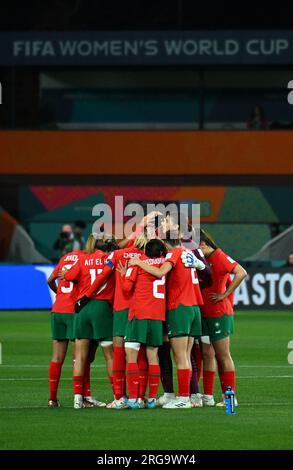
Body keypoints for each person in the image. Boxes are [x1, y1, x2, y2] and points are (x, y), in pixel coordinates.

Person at [129, 230, 204, 409]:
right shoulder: (187, 252)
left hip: (180, 308)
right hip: (194, 307)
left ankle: (183, 398)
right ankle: (187, 396)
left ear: (165, 242)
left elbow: (161, 272)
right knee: (185, 355)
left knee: (180, 356)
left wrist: (139, 262)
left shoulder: (175, 253)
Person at [78, 232, 148, 409]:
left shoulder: (117, 255)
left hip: (121, 308)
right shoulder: (147, 256)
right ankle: (140, 397)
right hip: (141, 309)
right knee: (140, 353)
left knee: (118, 353)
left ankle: (119, 398)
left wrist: (86, 296)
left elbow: (102, 276)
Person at [182, 229, 247, 407]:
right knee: (207, 353)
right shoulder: (203, 259)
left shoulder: (219, 256)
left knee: (222, 355)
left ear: (203, 244)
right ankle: (208, 395)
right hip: (204, 312)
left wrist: (225, 294)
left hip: (218, 313)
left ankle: (230, 397)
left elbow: (241, 272)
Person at [59, 233, 118, 409]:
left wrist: (65, 273)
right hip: (101, 308)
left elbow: (67, 276)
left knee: (80, 356)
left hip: (82, 309)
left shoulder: (83, 259)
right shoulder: (109, 259)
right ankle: (117, 396)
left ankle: (78, 398)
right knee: (109, 356)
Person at [119, 239, 168, 409]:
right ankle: (152, 399)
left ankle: (133, 399)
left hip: (139, 313)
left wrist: (123, 274)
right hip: (158, 315)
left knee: (131, 355)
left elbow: (126, 288)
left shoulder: (137, 264)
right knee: (153, 356)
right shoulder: (164, 263)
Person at [47, 249, 81, 408]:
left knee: (56, 358)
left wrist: (59, 293)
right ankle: (79, 397)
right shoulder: (84, 258)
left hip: (57, 310)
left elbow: (49, 280)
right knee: (78, 358)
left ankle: (52, 399)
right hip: (73, 311)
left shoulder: (65, 258)